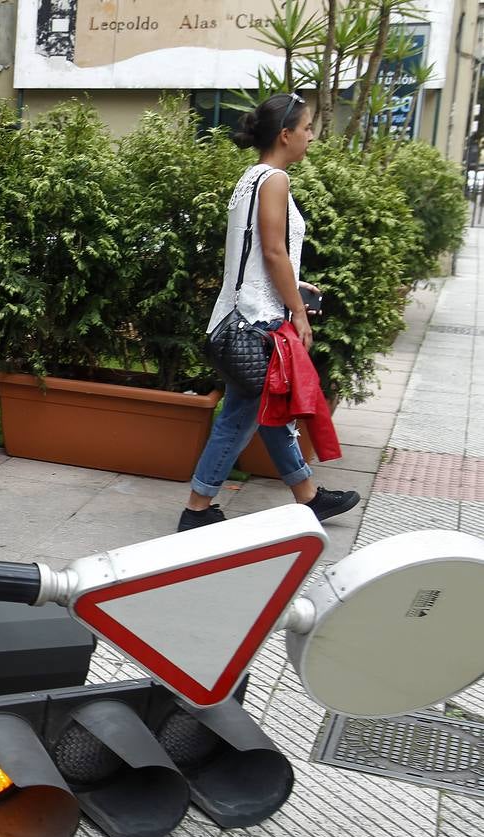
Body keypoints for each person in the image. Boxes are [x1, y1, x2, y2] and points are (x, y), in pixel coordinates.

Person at [177, 93, 360, 532]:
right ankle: (203, 507)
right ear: (286, 134)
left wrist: (294, 288)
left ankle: (295, 496)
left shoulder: (252, 178)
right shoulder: (274, 180)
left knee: (255, 409)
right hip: (255, 324)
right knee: (258, 410)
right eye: (307, 128)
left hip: (239, 316)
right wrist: (297, 311)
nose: (311, 135)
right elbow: (274, 250)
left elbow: (255, 255)